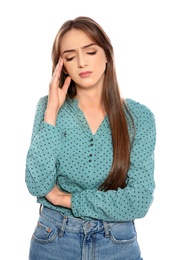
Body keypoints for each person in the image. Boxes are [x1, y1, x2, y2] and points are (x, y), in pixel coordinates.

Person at [25, 16, 156, 260]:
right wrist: (52, 112)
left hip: (117, 243)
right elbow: (37, 184)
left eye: (91, 51)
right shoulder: (48, 108)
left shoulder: (139, 118)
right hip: (54, 240)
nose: (82, 62)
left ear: (107, 54)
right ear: (61, 66)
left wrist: (66, 199)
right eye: (70, 57)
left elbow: (139, 200)